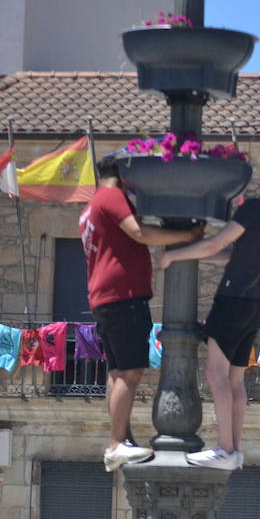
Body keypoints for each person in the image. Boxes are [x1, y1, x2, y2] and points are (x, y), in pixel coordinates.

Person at [160, 158, 260, 470]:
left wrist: (174, 255)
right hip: (253, 302)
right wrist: (193, 257)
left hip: (232, 298)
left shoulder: (255, 208)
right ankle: (234, 450)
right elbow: (232, 255)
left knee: (215, 374)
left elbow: (216, 245)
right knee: (235, 379)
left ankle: (224, 448)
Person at [80, 155, 202, 471]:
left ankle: (123, 440)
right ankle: (117, 444)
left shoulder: (90, 207)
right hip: (123, 296)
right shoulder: (111, 196)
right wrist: (185, 237)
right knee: (131, 373)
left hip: (104, 298)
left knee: (117, 372)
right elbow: (139, 233)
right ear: (121, 175)